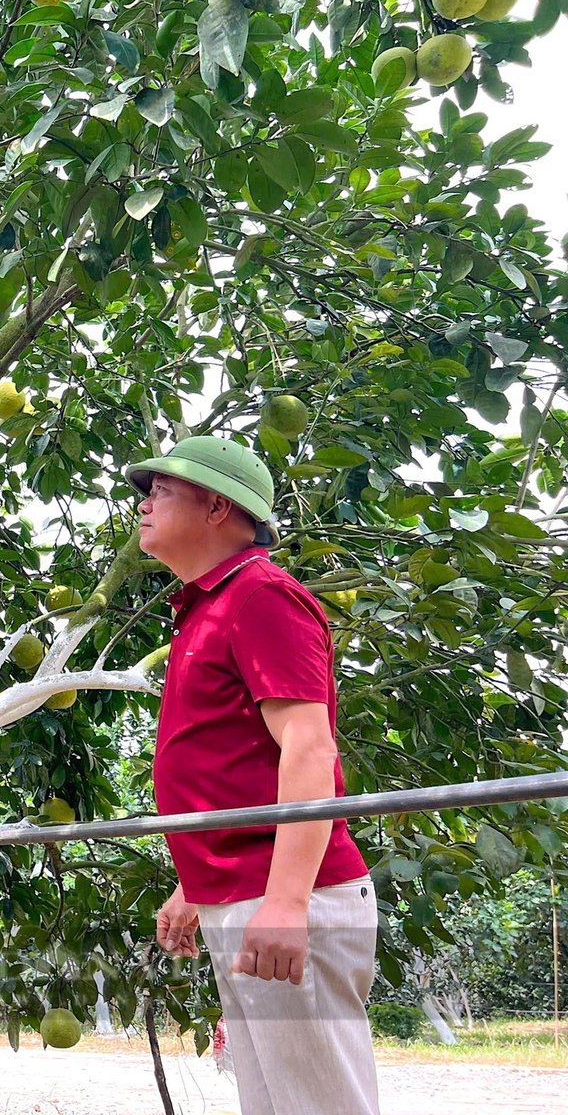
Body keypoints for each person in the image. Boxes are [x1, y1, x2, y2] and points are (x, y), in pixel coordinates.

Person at [123, 435, 379, 1115]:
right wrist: (195, 883)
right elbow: (239, 767)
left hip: (293, 896)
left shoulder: (261, 594)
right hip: (244, 893)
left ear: (216, 506)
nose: (144, 504)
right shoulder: (207, 607)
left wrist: (289, 901)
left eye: (162, 490)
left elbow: (307, 747)